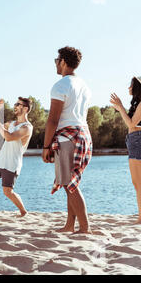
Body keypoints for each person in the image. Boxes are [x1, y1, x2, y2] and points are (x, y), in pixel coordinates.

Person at [42, 46, 93, 234]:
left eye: (57, 60)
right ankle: (70, 225)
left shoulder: (61, 85)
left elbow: (53, 119)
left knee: (69, 184)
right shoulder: (84, 85)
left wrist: (46, 146)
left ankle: (85, 228)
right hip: (83, 135)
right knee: (70, 182)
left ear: (63, 61)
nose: (55, 63)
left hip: (67, 137)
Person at [110, 75, 141, 225]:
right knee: (136, 184)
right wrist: (119, 108)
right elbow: (130, 124)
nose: (128, 87)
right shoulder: (139, 103)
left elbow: (131, 124)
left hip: (138, 142)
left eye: (131, 85)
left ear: (137, 87)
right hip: (133, 142)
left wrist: (120, 107)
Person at [0, 97, 34, 217]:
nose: (15, 106)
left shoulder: (27, 127)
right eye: (15, 103)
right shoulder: (11, 123)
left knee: (7, 192)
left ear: (25, 109)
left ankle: (24, 212)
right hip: (0, 160)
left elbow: (9, 137)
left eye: (18, 104)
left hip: (12, 163)